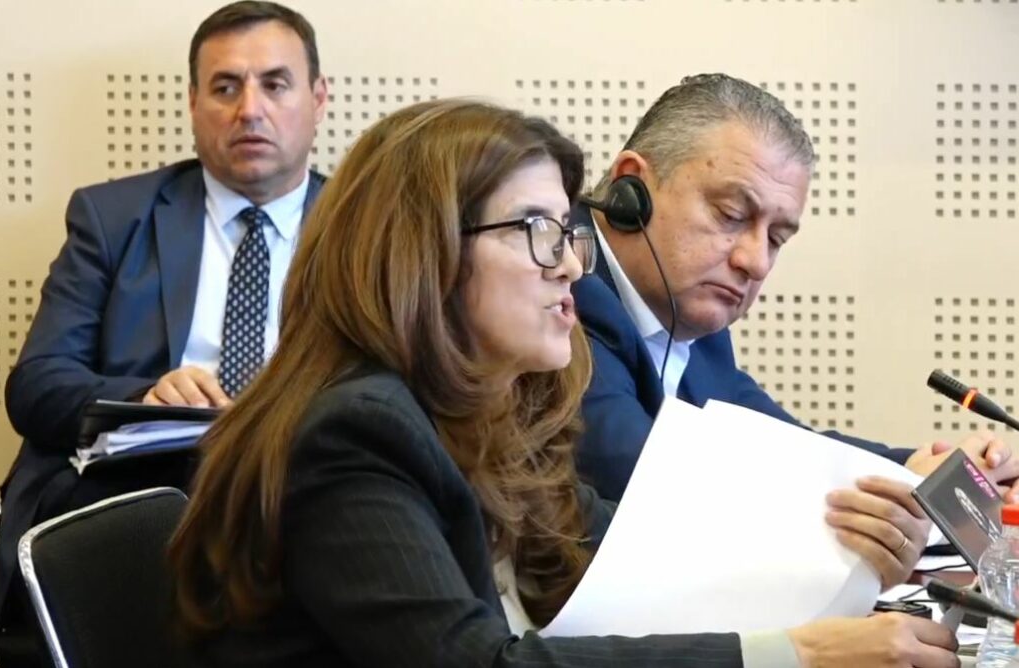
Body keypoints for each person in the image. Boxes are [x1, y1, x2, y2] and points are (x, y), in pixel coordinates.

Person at [170, 99, 958, 668]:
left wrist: (838, 569)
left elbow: (628, 562)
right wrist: (797, 654)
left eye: (566, 234)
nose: (573, 267)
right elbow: (480, 663)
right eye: (538, 233)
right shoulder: (354, 433)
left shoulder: (488, 415)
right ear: (426, 250)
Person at [0, 0, 328, 653]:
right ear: (193, 102)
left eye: (275, 84)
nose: (250, 109)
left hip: (301, 485)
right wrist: (146, 396)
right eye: (225, 87)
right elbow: (37, 386)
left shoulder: (364, 229)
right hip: (139, 494)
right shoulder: (112, 217)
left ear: (318, 99)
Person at [573, 73, 1019, 502]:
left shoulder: (690, 316)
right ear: (631, 188)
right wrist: (902, 492)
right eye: (731, 215)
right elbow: (649, 476)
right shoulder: (562, 289)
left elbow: (789, 450)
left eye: (776, 239)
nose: (755, 261)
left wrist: (926, 474)